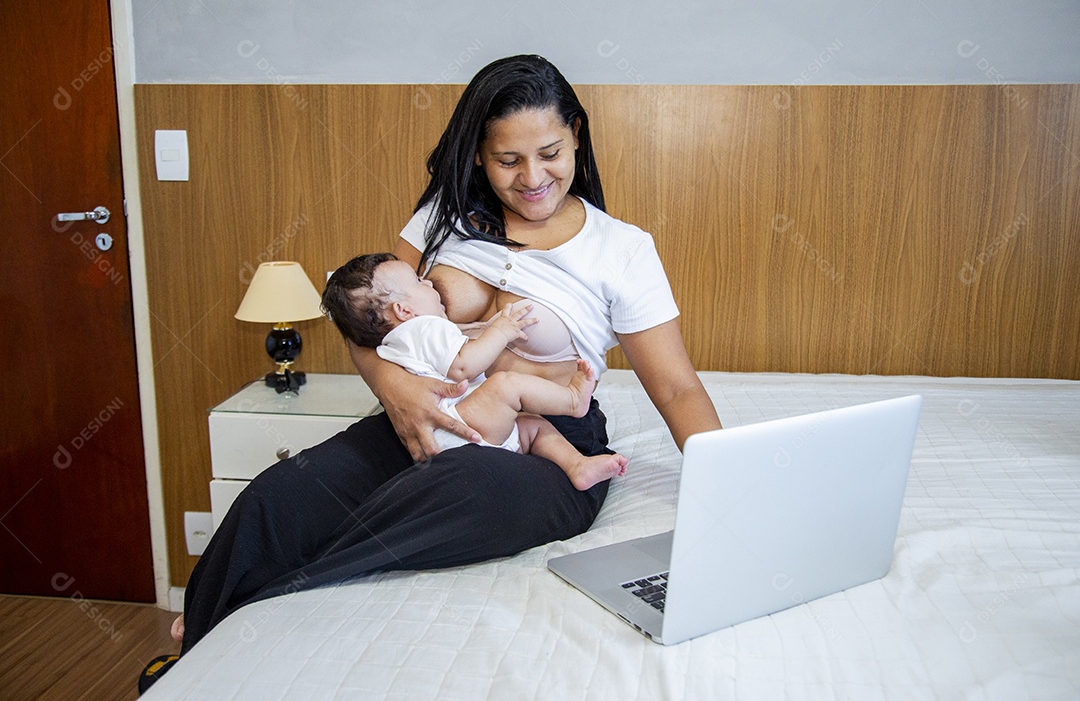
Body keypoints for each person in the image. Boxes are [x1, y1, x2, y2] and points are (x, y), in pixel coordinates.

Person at [146, 53, 721, 690]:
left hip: (544, 438)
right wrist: (395, 391)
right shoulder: (442, 218)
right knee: (278, 495)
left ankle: (258, 601)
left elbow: (676, 387)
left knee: (468, 485)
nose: (533, 177)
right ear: (477, 154)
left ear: (577, 137)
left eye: (551, 153)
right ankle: (189, 655)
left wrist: (727, 482)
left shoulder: (621, 248)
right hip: (425, 412)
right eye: (508, 161)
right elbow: (370, 321)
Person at [321, 251, 629, 490]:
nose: (428, 282)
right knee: (506, 385)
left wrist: (489, 328)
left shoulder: (396, 343)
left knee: (531, 426)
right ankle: (573, 400)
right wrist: (503, 331)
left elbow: (461, 346)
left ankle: (577, 466)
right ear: (404, 311)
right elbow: (462, 365)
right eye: (417, 282)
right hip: (460, 426)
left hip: (448, 434)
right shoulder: (423, 328)